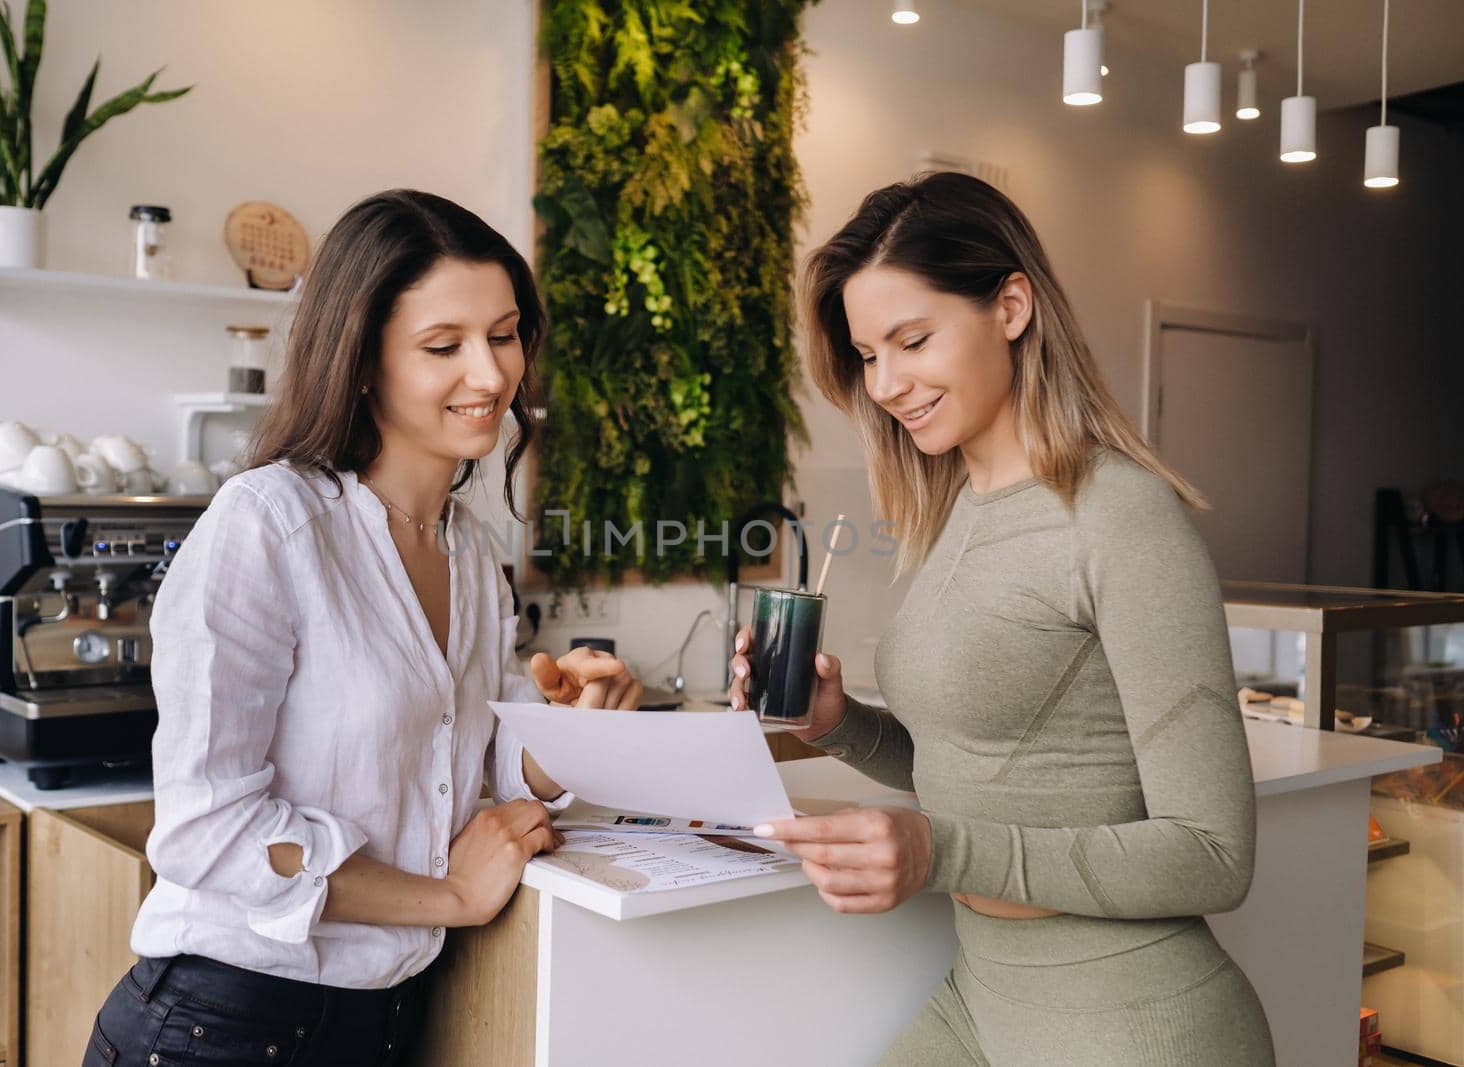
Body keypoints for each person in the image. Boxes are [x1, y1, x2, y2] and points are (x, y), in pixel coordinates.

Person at [83, 190, 641, 1067]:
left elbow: (452, 777)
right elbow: (205, 829)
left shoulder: (469, 555)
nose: (492, 375)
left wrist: (559, 739)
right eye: (443, 345)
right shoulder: (268, 523)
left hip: (380, 1024)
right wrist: (449, 895)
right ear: (364, 358)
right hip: (220, 1027)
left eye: (503, 335)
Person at [729, 172, 1275, 1065]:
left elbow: (1214, 854)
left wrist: (937, 853)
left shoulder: (1119, 514)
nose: (889, 383)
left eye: (912, 340)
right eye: (869, 355)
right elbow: (984, 771)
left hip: (1133, 1023)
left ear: (1011, 305)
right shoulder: (957, 512)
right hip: (984, 1002)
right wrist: (840, 727)